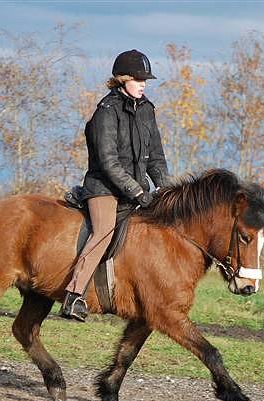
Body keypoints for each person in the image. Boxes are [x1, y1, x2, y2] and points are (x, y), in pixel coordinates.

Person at [61, 49, 170, 321]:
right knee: (104, 230)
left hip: (136, 188)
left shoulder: (147, 110)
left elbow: (156, 157)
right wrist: (137, 191)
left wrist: (167, 192)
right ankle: (74, 296)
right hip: (104, 188)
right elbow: (109, 163)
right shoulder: (105, 113)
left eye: (146, 79)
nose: (143, 83)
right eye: (138, 79)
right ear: (122, 79)